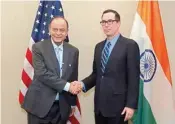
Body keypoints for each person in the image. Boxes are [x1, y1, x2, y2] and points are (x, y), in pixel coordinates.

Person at [74, 9, 140, 124]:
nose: (106, 25)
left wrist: (131, 105)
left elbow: (133, 78)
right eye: (103, 22)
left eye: (110, 21)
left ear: (118, 23)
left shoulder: (130, 45)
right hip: (99, 106)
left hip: (119, 107)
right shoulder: (98, 47)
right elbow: (96, 74)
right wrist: (82, 84)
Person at [22, 16, 80, 124]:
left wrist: (72, 103)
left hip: (61, 107)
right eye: (55, 29)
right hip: (39, 106)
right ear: (49, 30)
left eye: (62, 30)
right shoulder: (38, 48)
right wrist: (68, 86)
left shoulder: (73, 51)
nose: (58, 33)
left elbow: (73, 77)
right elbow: (42, 74)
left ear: (67, 32)